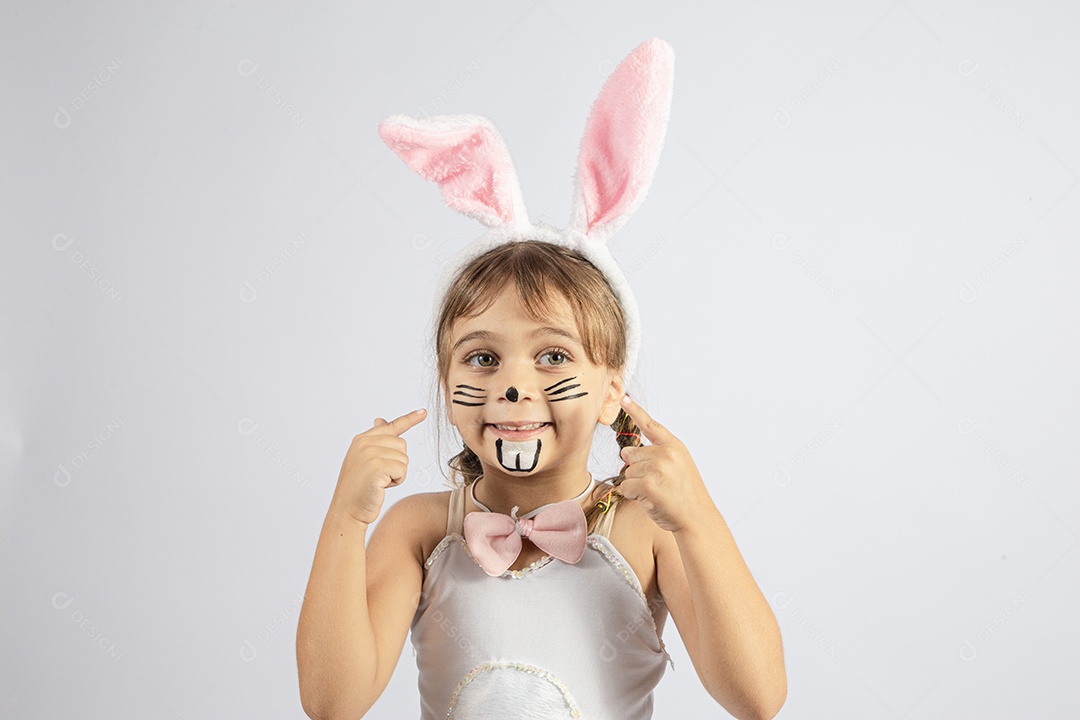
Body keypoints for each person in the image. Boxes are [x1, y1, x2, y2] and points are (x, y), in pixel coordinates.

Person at [296, 38, 786, 720]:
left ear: (614, 389)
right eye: (482, 357)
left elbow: (758, 697)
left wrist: (698, 518)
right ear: (446, 383)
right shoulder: (420, 530)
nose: (514, 386)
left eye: (553, 356)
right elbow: (332, 701)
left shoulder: (645, 531)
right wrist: (345, 519)